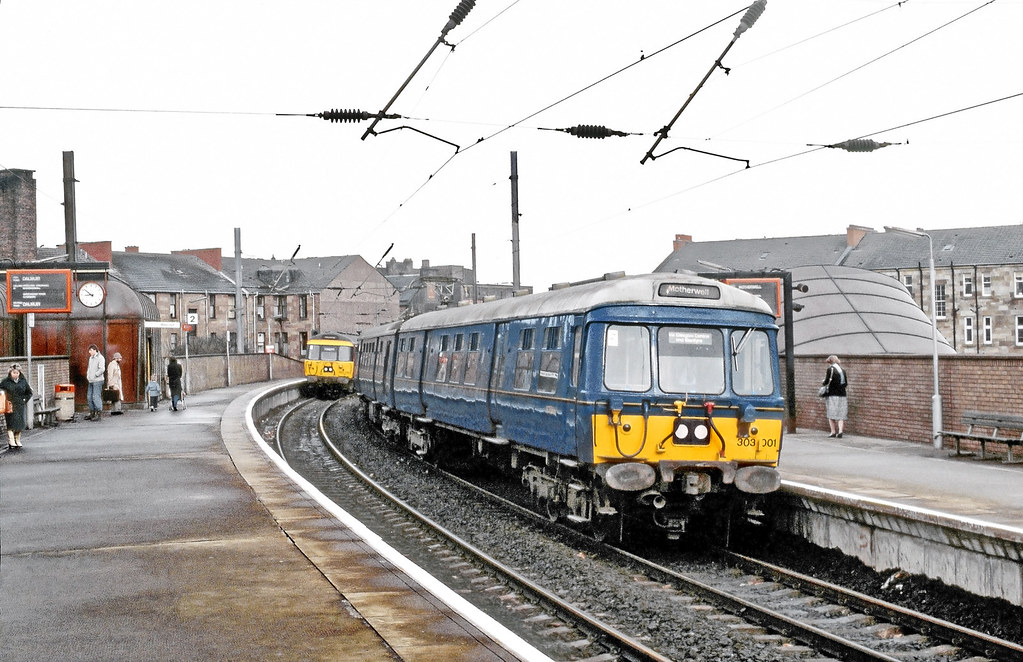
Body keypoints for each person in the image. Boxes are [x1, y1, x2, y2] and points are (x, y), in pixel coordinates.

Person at [1, 364, 33, 450]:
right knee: (11, 423)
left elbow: (29, 392)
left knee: (20, 423)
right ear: (10, 372)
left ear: (19, 373)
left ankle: (17, 439)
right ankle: (11, 440)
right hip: (9, 405)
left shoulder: (23, 381)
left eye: (17, 373)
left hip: (20, 405)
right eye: (14, 372)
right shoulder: (5, 382)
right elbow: (1, 391)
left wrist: (24, 399)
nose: (15, 374)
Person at [822, 355, 848, 438]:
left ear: (830, 362)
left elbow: (826, 381)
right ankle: (840, 431)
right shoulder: (843, 370)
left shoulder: (830, 369)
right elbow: (845, 383)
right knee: (841, 413)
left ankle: (833, 432)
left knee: (831, 413)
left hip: (833, 394)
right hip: (842, 394)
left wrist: (823, 382)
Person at [86, 344, 106, 421]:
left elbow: (102, 369)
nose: (89, 352)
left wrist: (95, 375)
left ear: (95, 350)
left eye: (90, 350)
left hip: (98, 381)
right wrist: (88, 376)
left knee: (96, 396)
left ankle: (98, 413)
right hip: (91, 380)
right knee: (89, 397)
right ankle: (92, 412)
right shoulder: (91, 358)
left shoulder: (100, 358)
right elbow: (89, 368)